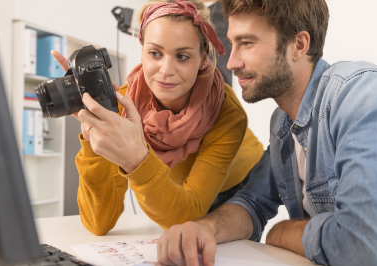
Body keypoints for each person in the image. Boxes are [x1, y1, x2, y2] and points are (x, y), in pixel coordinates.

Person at [156, 0, 377, 266]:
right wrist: (206, 228)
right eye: (232, 43)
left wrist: (279, 232)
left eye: (247, 43)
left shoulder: (361, 94)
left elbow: (367, 249)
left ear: (298, 45)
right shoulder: (282, 124)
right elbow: (253, 201)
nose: (232, 62)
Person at [52, 0, 264, 236]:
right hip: (177, 195)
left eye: (182, 56)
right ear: (142, 50)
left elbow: (187, 214)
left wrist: (136, 160)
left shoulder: (227, 112)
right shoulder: (123, 103)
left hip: (237, 185)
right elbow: (98, 222)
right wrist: (93, 133)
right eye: (155, 53)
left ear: (204, 57)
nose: (166, 70)